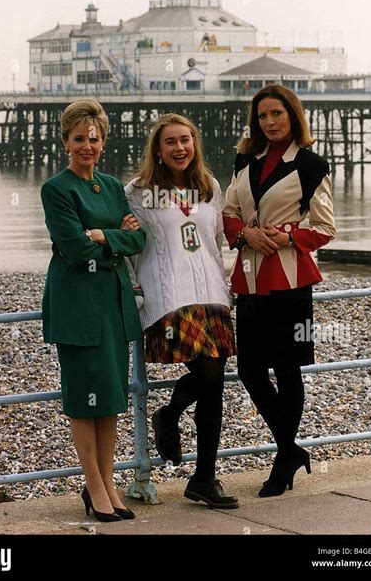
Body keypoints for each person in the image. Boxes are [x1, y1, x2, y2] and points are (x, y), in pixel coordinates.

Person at [223, 84, 336, 497]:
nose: (269, 123)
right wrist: (246, 235)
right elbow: (228, 214)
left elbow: (325, 228)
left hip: (290, 281)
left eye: (277, 115)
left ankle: (282, 460)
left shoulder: (310, 165)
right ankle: (290, 450)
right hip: (251, 278)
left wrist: (285, 237)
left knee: (288, 371)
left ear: (293, 116)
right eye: (263, 117)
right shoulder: (244, 160)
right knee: (250, 370)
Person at [124, 113, 238, 509]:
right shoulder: (138, 192)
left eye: (186, 140)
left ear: (195, 144)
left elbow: (217, 241)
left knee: (214, 379)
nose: (179, 148)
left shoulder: (209, 187)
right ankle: (171, 418)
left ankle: (203, 476)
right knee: (209, 373)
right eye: (170, 142)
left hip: (211, 293)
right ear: (158, 149)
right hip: (169, 295)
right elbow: (129, 243)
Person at [40, 98, 145, 522]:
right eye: (80, 138)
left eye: (95, 139)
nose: (88, 146)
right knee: (85, 398)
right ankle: (94, 486)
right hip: (78, 305)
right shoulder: (56, 189)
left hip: (114, 304)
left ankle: (109, 481)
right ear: (66, 141)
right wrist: (110, 241)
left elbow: (139, 241)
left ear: (103, 141)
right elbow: (73, 247)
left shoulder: (113, 187)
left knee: (111, 397)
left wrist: (105, 236)